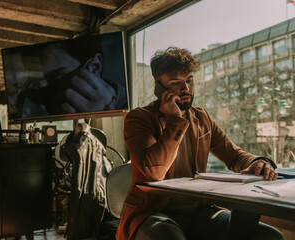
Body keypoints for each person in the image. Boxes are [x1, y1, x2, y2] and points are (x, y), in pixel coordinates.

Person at [116, 47, 284, 240]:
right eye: (176, 83)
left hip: (199, 211)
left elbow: (234, 155)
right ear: (158, 86)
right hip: (152, 212)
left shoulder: (201, 117)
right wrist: (174, 121)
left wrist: (258, 162)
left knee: (268, 236)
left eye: (189, 80)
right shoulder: (139, 119)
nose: (186, 89)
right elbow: (154, 171)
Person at [19, 35, 127, 117]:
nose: (44, 90)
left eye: (57, 77)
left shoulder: (128, 109)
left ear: (94, 66)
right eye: (36, 82)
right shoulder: (36, 108)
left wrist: (107, 113)